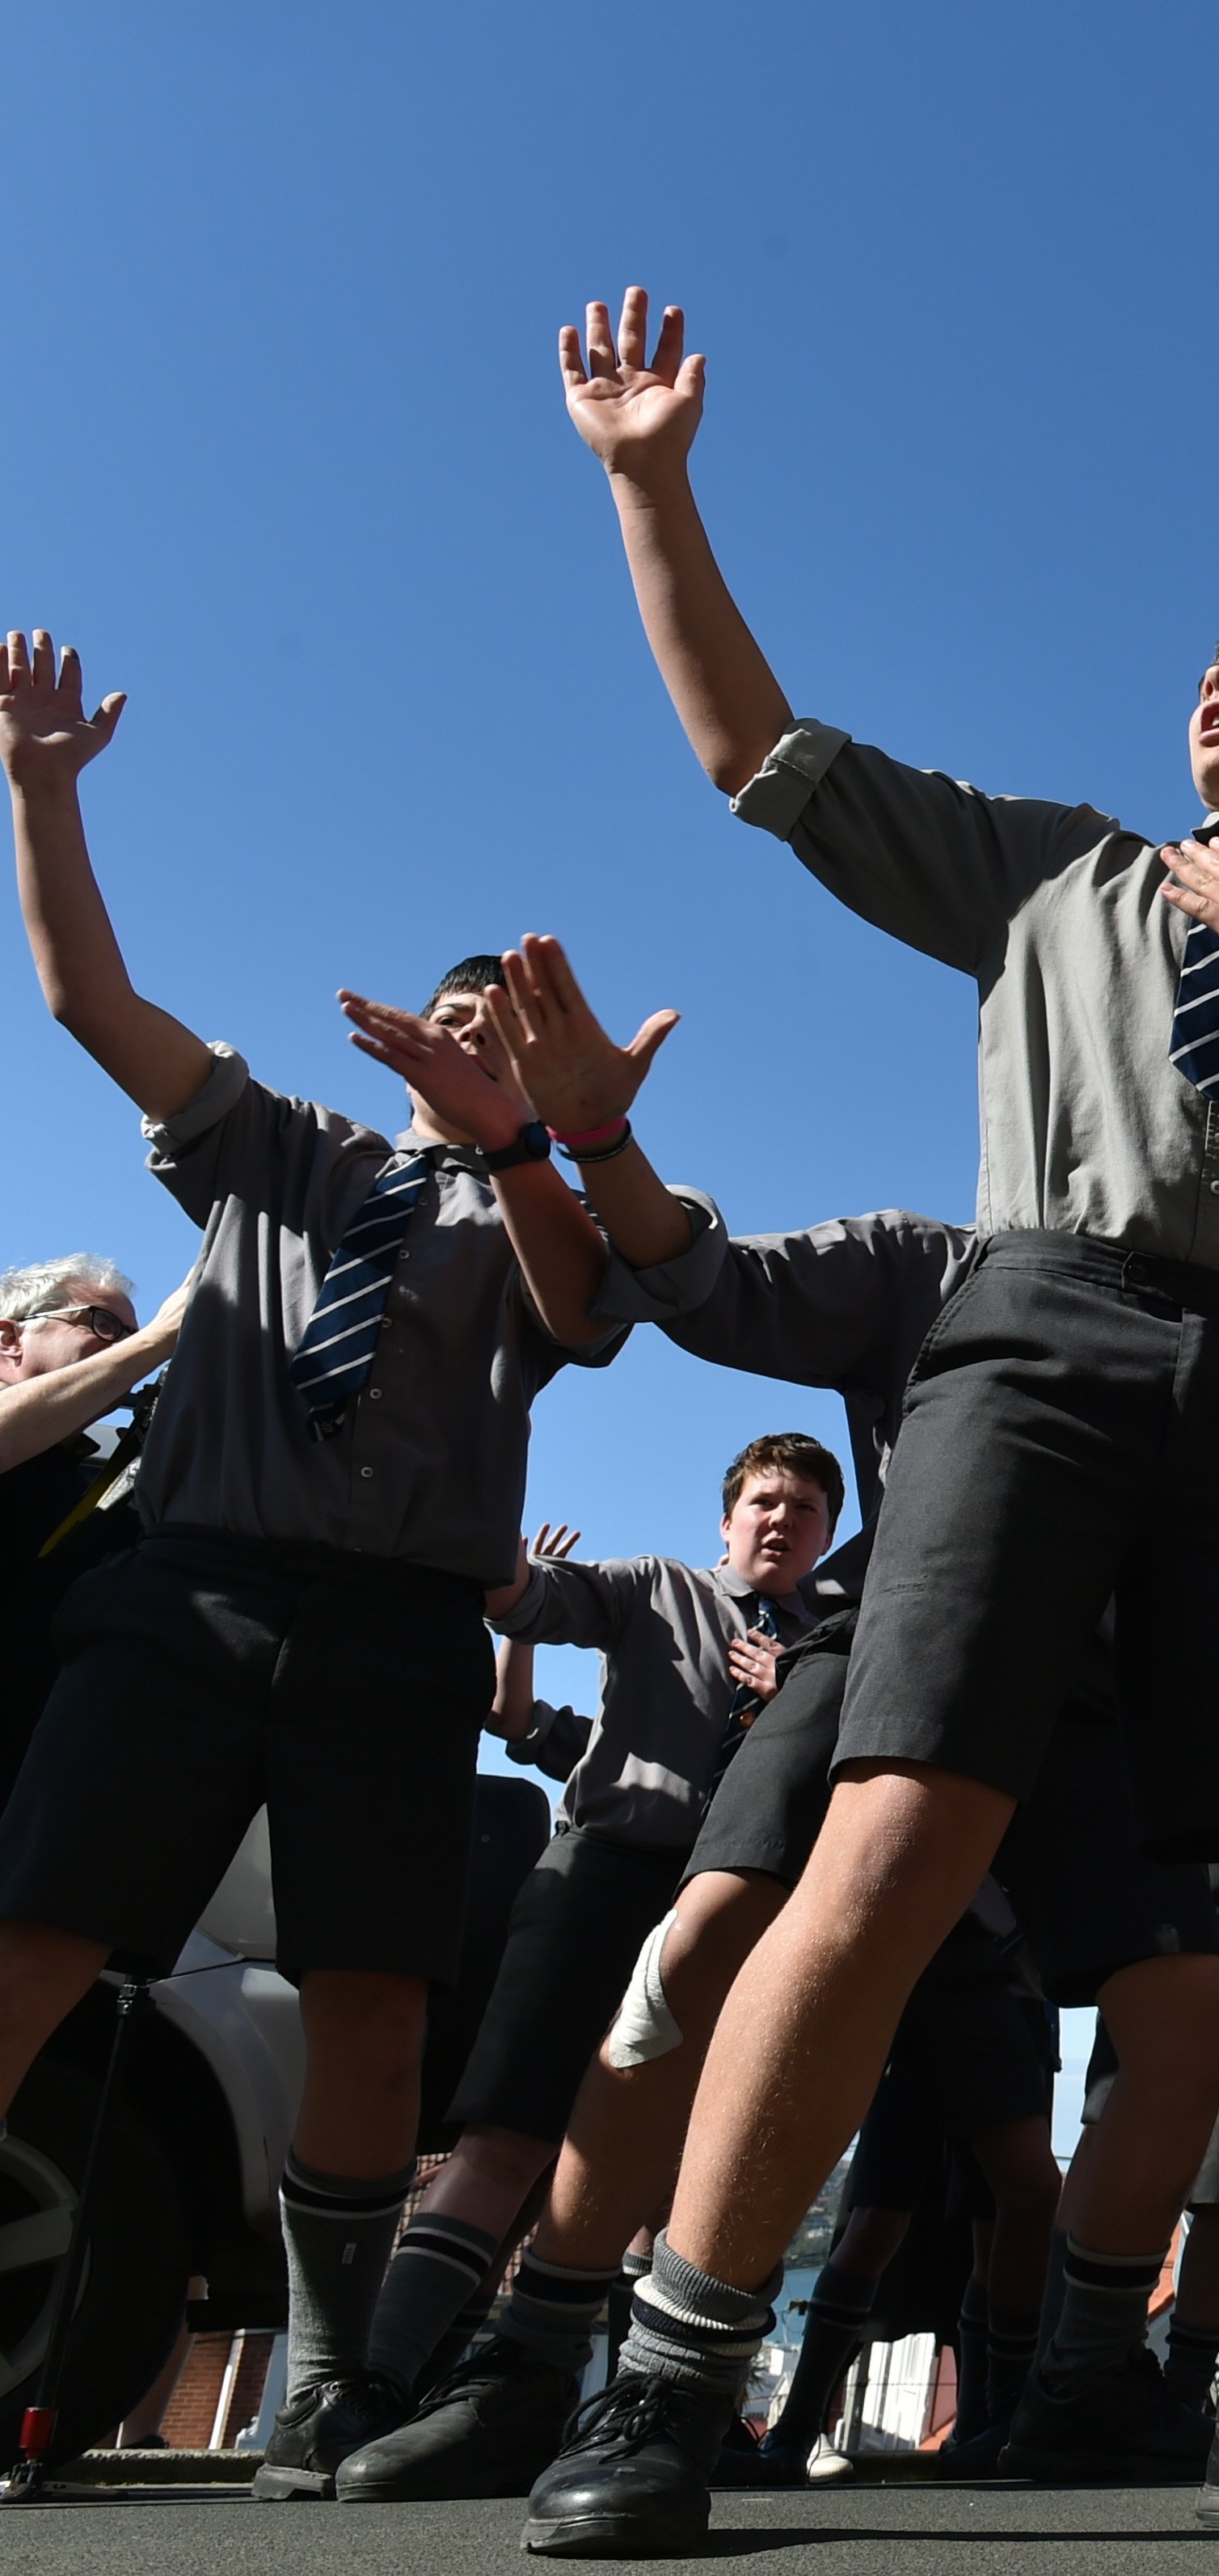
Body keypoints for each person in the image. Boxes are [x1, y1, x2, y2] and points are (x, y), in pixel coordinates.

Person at [525, 288, 1219, 2553]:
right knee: (890, 1840)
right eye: (1209, 657)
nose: (1215, 681)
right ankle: (672, 2377)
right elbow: (756, 754)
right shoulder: (1064, 868)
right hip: (1035, 1338)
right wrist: (650, 480)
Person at [336, 941, 1219, 2503]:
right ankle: (545, 2362)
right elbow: (694, 1280)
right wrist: (590, 1138)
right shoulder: (920, 1261)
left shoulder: (1206, 1299)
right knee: (695, 1955)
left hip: (1099, 1694)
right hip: (900, 1642)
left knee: (1179, 2017)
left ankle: (1087, 2376)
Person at [0, 626, 623, 2497]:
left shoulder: (543, 1212)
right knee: (34, 1936)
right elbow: (90, 999)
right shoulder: (277, 1146)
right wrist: (43, 787)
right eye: (466, 1026)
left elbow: (587, 1322)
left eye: (512, 1041)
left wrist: (532, 1142)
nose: (475, 1053)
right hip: (187, 1593)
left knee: (372, 1990)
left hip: (398, 1628)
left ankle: (337, 2381)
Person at [350, 1437, 838, 2405]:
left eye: (806, 1509)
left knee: (675, 2172)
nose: (781, 1520)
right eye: (764, 1502)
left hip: (742, 1907)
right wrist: (496, 1543)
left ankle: (634, 2412)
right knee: (511, 2135)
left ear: (828, 1533)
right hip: (605, 1876)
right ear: (728, 1520)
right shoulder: (655, 1586)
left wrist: (800, 1695)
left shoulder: (835, 1643)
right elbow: (525, 1599)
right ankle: (368, 2389)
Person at [0, 1257, 181, 1793]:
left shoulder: (92, 1489)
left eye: (129, 1335)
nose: (125, 1348)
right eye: (103, 1326)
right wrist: (160, 1337)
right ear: (9, 1339)